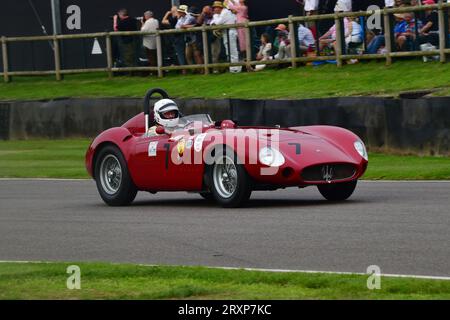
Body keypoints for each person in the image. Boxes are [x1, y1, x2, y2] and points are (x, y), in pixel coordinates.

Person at [211, 1, 242, 73]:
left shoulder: (225, 12)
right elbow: (212, 23)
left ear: (220, 8)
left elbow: (218, 23)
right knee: (229, 51)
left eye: (216, 7)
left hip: (230, 32)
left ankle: (235, 68)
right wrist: (214, 20)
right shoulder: (221, 14)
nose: (215, 9)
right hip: (226, 32)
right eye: (214, 8)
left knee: (232, 51)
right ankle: (233, 68)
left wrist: (215, 17)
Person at [175, 5, 197, 73]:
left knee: (197, 55)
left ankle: (201, 70)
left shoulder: (190, 17)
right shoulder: (181, 18)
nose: (179, 13)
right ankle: (194, 70)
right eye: (179, 11)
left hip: (195, 38)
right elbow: (177, 27)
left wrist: (184, 26)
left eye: (180, 11)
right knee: (188, 55)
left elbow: (184, 25)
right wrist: (183, 26)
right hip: (187, 39)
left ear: (184, 12)